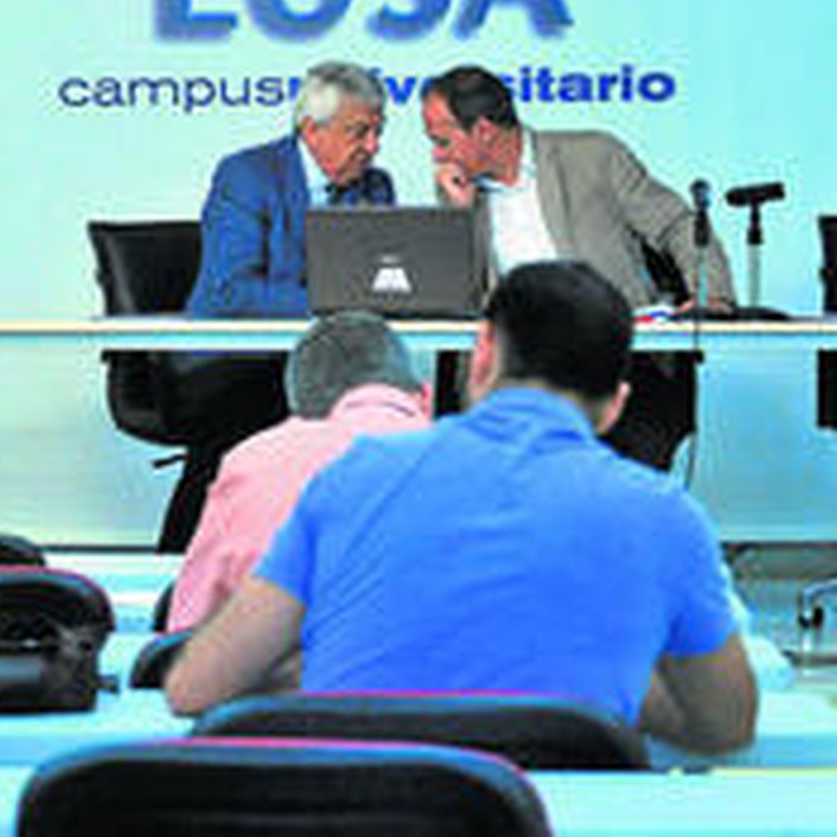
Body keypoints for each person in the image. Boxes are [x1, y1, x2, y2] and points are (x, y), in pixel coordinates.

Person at [165, 262, 758, 755]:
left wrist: (317, 668)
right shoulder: (665, 517)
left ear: (481, 356)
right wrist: (597, 667)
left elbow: (196, 687)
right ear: (615, 405)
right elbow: (726, 725)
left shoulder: (351, 479)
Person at [422, 64, 733, 469]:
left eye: (442, 141)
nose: (437, 156)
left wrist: (713, 295)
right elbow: (455, 302)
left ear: (483, 131)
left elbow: (677, 225)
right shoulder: (460, 192)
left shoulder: (594, 157)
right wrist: (458, 216)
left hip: (610, 359)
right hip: (514, 374)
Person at [159, 63, 394, 552]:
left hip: (321, 363)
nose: (372, 146)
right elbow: (231, 293)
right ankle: (182, 566)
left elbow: (378, 285)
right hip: (232, 359)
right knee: (247, 415)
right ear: (312, 129)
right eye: (359, 132)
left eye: (378, 132)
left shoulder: (374, 185)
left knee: (385, 417)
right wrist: (334, 307)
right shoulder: (247, 175)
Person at [167, 312, 430, 631]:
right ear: (424, 396)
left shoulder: (252, 461)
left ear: (297, 409)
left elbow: (186, 630)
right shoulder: (478, 462)